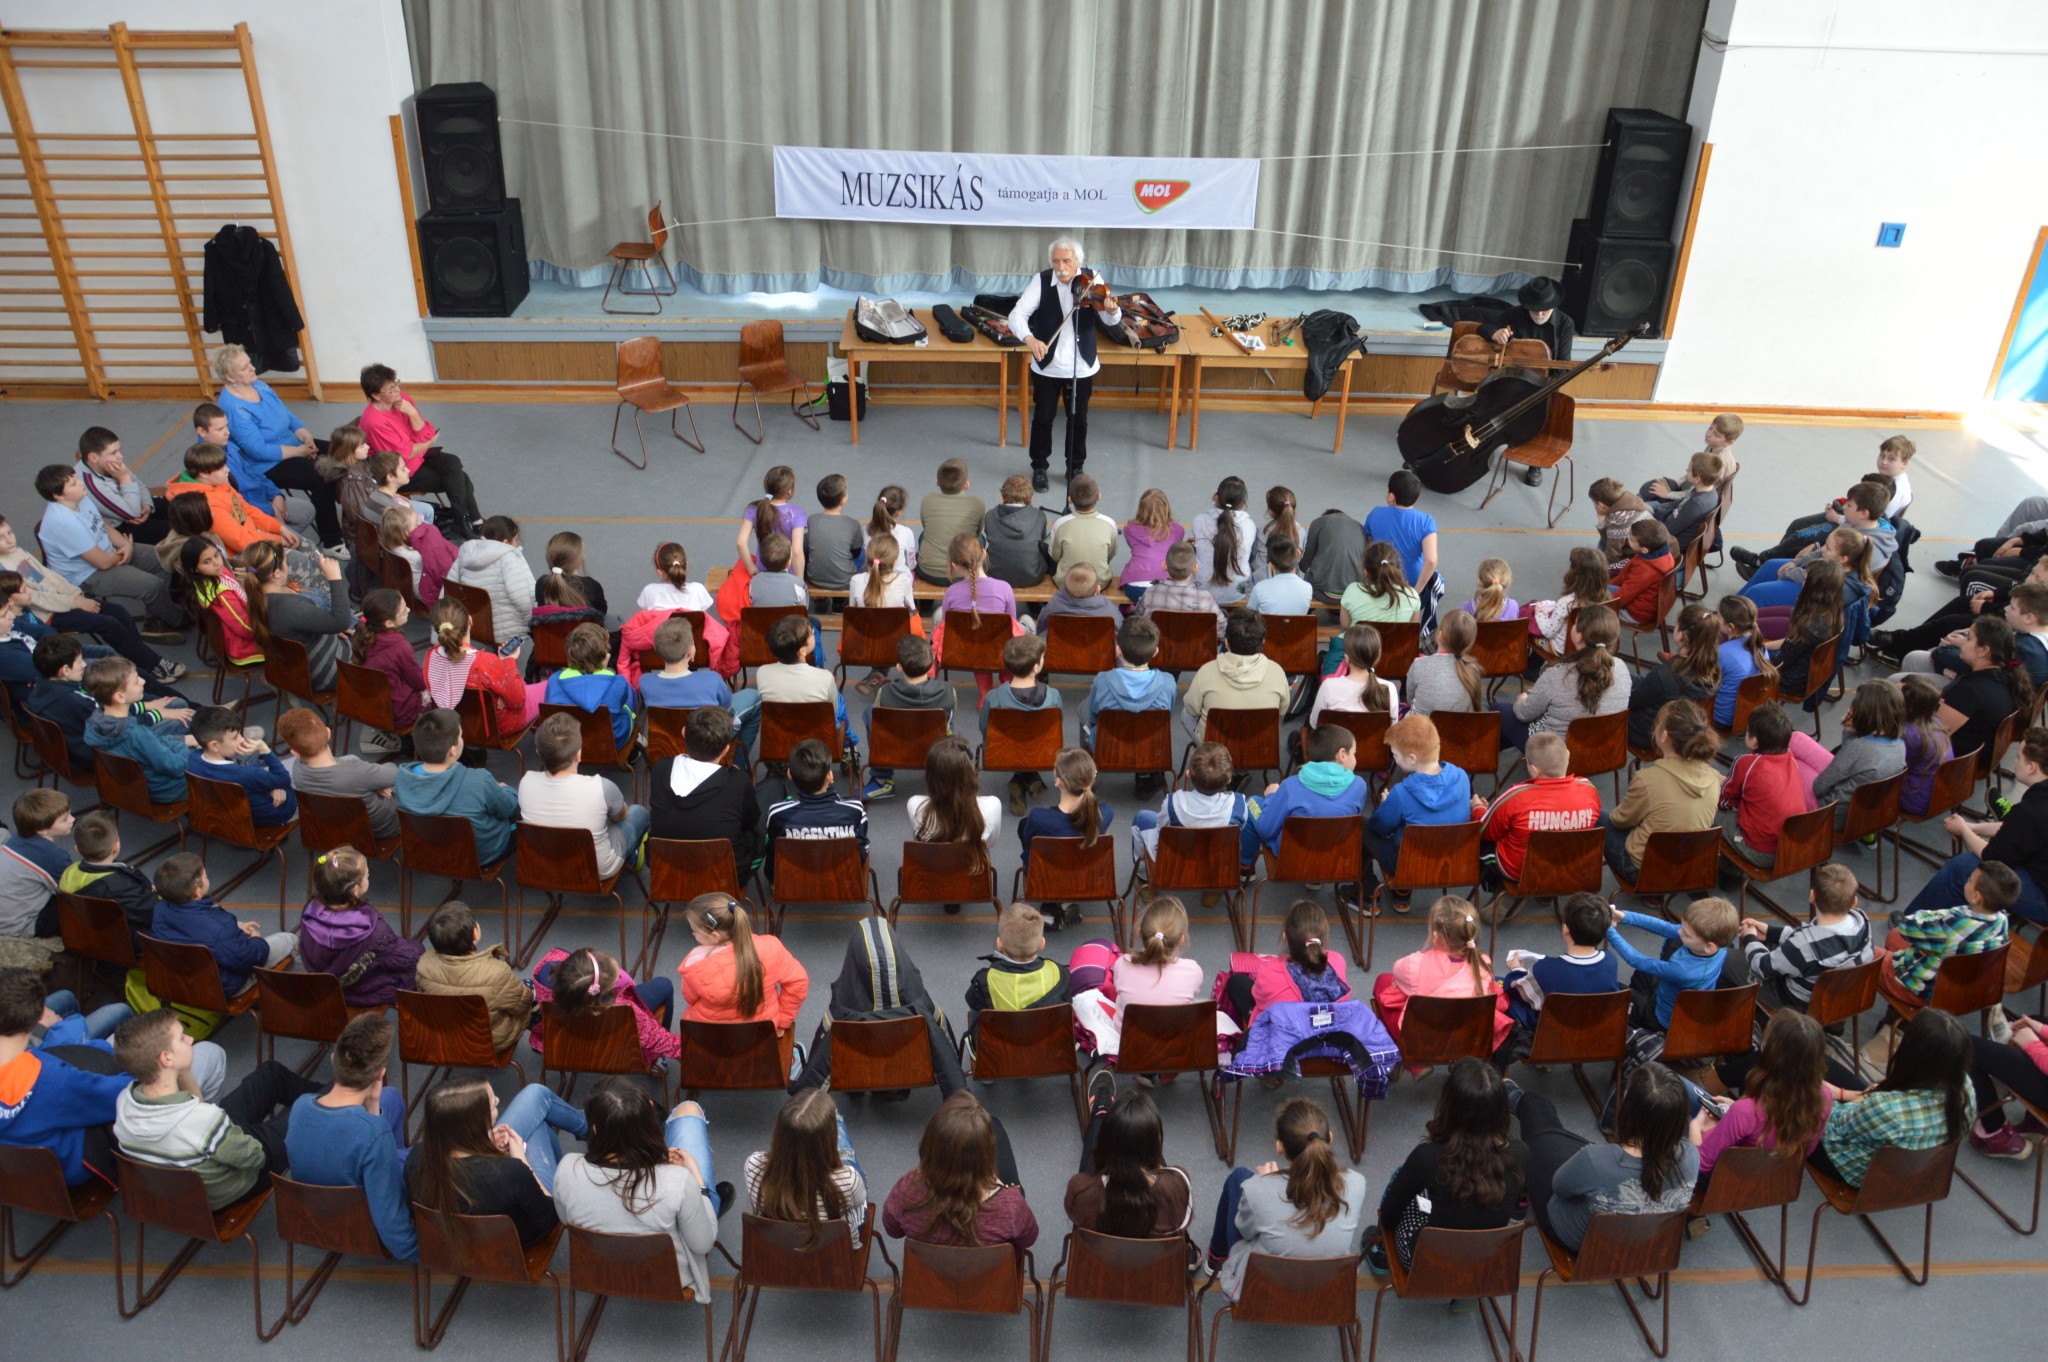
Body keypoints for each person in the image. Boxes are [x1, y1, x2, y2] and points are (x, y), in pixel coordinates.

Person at [111, 1008, 320, 1209]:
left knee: (271, 1074)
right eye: (182, 1037)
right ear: (167, 1058)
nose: (190, 1039)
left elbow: (198, 1113)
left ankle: (326, 1094)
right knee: (314, 1109)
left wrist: (183, 1071)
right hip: (240, 1182)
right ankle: (333, 1100)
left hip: (200, 1170)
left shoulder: (124, 1103)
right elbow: (256, 1158)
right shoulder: (202, 1121)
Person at [554, 1080, 725, 1298]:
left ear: (594, 1129)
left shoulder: (567, 1168)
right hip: (669, 1281)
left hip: (600, 1272)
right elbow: (703, 1244)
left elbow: (566, 1220)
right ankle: (712, 1197)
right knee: (689, 1109)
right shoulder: (678, 1180)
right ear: (651, 1123)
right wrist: (697, 1180)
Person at [1518, 1060, 1697, 1251]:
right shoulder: (1691, 1154)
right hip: (1643, 1242)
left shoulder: (1596, 1160)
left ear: (1630, 1111)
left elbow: (1559, 1189)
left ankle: (1519, 1100)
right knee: (1553, 1134)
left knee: (1536, 1126)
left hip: (1579, 1241)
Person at [791, 916, 970, 1104]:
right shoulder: (920, 1003)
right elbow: (944, 1039)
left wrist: (804, 1096)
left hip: (858, 1067)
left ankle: (855, 1091)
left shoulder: (842, 1010)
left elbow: (820, 1053)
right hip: (906, 1067)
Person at [1371, 1060, 1527, 1271]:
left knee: (1403, 1179)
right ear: (1501, 1110)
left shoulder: (1428, 1157)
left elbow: (1389, 1217)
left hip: (1425, 1266)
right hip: (1483, 1260)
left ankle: (1380, 1251)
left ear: (1450, 1105)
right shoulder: (1520, 1153)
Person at [284, 1015, 414, 1260]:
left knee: (391, 1098)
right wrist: (417, 1251)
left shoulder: (300, 1105)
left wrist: (373, 1104)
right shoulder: (373, 1134)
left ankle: (390, 1161)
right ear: (380, 1074)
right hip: (358, 1219)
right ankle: (396, 1175)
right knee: (422, 1156)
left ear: (333, 1059)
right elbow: (389, 1220)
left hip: (314, 1209)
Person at [1206, 1097, 1366, 1294]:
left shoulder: (1256, 1188)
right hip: (1327, 1292)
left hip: (1263, 1292)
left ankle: (1216, 1258)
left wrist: (1265, 1183)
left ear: (1279, 1146)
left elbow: (1245, 1231)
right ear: (1330, 1138)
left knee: (1238, 1177)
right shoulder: (1357, 1182)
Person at [0, 513, 183, 682]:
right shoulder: (4, 570)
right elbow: (35, 598)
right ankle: (151, 664)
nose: (9, 540)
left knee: (119, 612)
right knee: (108, 623)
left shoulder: (16, 552)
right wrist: (74, 602)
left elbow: (49, 576)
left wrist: (75, 595)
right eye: (2, 537)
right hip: (49, 614)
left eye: (10, 533)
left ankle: (141, 660)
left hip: (66, 600)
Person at [0, 967, 140, 1187]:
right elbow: (121, 1095)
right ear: (38, 1019)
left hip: (9, 1173)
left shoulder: (49, 1074)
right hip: (60, 1172)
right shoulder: (52, 1077)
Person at [405, 1077, 578, 1247]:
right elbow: (551, 1219)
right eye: (494, 1104)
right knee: (538, 1124)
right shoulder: (512, 1172)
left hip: (456, 1242)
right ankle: (592, 1130)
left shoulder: (417, 1157)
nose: (498, 1100)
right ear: (477, 1123)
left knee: (535, 1103)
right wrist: (522, 1161)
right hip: (510, 1245)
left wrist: (484, 1145)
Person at [1902, 726, 2048, 926]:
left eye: (2018, 757)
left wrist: (1963, 830)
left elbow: (1992, 856)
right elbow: (2018, 829)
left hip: (2043, 898)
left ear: (2032, 767)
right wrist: (1973, 827)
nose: (2015, 761)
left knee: (1963, 869)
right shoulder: (2036, 806)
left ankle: (1911, 925)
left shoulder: (2032, 809)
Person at [1008, 237, 1123, 491]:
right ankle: (1039, 466)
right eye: (1056, 261)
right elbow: (1016, 315)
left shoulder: (1092, 280)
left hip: (1081, 365)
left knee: (1079, 419)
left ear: (1078, 262)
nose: (1060, 267)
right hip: (1048, 365)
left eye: (1066, 261)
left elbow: (1111, 321)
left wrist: (1112, 311)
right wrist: (1030, 339)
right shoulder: (1041, 281)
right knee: (1043, 418)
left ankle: (1075, 467)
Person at [1816, 1007, 1974, 1187]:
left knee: (1808, 1070)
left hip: (1851, 1169)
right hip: (1913, 1171)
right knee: (1825, 1068)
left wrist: (1835, 1093)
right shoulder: (1965, 1088)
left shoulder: (1886, 1109)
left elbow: (1830, 1127)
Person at [211, 344, 346, 548]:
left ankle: (353, 517)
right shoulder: (233, 407)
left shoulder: (259, 385)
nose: (253, 368)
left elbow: (287, 415)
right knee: (321, 477)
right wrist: (300, 451)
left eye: (250, 363)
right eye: (245, 367)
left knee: (343, 452)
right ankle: (332, 540)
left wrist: (305, 434)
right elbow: (257, 450)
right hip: (269, 463)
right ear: (230, 377)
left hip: (292, 444)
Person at [33, 464, 184, 638]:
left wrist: (125, 545)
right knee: (152, 585)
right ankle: (179, 620)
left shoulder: (79, 498)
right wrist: (124, 553)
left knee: (166, 558)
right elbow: (102, 563)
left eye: (76, 478)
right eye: (73, 484)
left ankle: (156, 618)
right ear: (58, 496)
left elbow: (102, 524)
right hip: (88, 575)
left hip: (111, 553)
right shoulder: (65, 523)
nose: (80, 483)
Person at [1696, 1010, 1839, 1190]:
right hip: (1766, 1184)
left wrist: (1697, 1125)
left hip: (1718, 1181)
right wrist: (1734, 1109)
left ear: (1771, 1054)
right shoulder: (1824, 1096)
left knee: (1681, 1099)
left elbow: (1701, 1165)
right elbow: (1806, 1151)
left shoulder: (1745, 1112)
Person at [883, 1091, 1037, 1253]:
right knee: (994, 1123)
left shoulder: (906, 1190)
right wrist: (1001, 1190)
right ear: (986, 1155)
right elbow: (1028, 1239)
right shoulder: (1010, 1205)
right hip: (988, 1269)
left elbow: (893, 1230)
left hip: (928, 1269)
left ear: (930, 1145)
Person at [678, 894, 809, 1067]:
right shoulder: (771, 947)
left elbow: (690, 998)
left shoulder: (694, 965)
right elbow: (798, 981)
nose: (693, 934)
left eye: (695, 931)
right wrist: (783, 1021)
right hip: (761, 1036)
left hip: (712, 1040)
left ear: (715, 936)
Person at [150, 852, 296, 1000]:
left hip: (181, 979)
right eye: (206, 876)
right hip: (222, 987)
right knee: (290, 939)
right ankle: (291, 997)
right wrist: (256, 940)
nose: (207, 878)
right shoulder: (219, 927)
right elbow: (250, 959)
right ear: (197, 892)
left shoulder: (159, 910)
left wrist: (234, 932)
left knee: (237, 927)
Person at [355, 364, 482, 533]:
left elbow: (425, 432)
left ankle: (465, 520)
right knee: (460, 479)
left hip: (417, 455)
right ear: (376, 395)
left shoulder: (402, 400)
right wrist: (428, 443)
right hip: (397, 470)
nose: (397, 390)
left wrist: (413, 413)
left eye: (396, 384)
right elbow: (401, 455)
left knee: (453, 462)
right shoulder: (374, 422)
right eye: (391, 389)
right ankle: (470, 521)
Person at [1373, 895, 1509, 1052]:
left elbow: (1397, 970)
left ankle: (1414, 1061)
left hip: (1420, 1040)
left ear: (1435, 936)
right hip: (1463, 1037)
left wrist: (1423, 950)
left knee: (1383, 981)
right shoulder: (1483, 963)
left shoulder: (1415, 964)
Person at [1737, 863, 1876, 1012]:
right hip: (1838, 997)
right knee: (1772, 946)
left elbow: (1762, 966)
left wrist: (1749, 939)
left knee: (1730, 961)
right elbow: (1810, 938)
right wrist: (1770, 932)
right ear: (1854, 902)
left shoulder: (1803, 947)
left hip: (1797, 1002)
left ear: (1812, 896)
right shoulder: (1862, 924)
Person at [1879, 861, 2017, 1011]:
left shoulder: (1952, 924)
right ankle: (1896, 1014)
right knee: (1894, 936)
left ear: (1976, 897)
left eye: (1969, 880)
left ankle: (1901, 1005)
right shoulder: (2002, 919)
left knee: (1868, 956)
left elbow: (1906, 926)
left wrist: (1937, 917)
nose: (1966, 881)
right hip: (1961, 989)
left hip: (1922, 991)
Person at [395, 708, 521, 867]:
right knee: (518, 808)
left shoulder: (402, 778)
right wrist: (505, 790)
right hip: (481, 855)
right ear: (452, 750)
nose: (462, 739)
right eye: (460, 736)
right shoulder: (480, 781)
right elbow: (507, 808)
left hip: (432, 850)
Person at [1496, 604, 1630, 752]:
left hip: (1555, 753)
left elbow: (1523, 714)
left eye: (1574, 623)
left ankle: (1491, 756)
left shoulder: (1557, 675)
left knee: (1500, 710)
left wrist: (1522, 700)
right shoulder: (1622, 668)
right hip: (1602, 749)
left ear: (1578, 636)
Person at [299, 846, 421, 1007]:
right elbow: (406, 959)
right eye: (367, 875)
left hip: (325, 986)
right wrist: (417, 948)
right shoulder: (374, 932)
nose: (368, 877)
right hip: (361, 992)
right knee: (417, 965)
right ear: (355, 890)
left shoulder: (309, 912)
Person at [1366, 714, 1471, 901]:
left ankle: (1368, 893)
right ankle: (1401, 894)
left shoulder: (1401, 793)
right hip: (1452, 860)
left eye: (1395, 755)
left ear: (1412, 758)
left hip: (1408, 864)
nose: (1394, 759)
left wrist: (1385, 805)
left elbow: (1379, 827)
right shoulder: (1462, 776)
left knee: (1361, 826)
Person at [1475, 731, 1602, 885]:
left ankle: (1499, 890)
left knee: (1479, 841)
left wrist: (1478, 809)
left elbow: (1482, 830)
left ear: (1534, 770)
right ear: (1568, 755)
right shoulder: (1589, 790)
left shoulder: (1515, 797)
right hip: (1570, 868)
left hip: (1520, 872)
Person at [746, 1088, 867, 1247]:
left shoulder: (753, 1165)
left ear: (779, 1133)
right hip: (834, 1250)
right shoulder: (849, 1181)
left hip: (778, 1248)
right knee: (852, 1167)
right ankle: (835, 1120)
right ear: (827, 1142)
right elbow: (860, 1200)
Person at [1066, 1085, 1190, 1237]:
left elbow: (1077, 1216)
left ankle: (1100, 1112)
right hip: (1157, 1253)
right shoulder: (1178, 1183)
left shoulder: (1080, 1190)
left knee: (1097, 1128)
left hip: (1103, 1253)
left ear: (1105, 1144)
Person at [649, 706, 762, 872]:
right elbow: (750, 821)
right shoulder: (738, 781)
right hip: (724, 874)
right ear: (726, 750)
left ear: (683, 732)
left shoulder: (659, 769)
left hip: (666, 869)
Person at [1215, 899, 1352, 1032]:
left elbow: (1259, 999)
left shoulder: (1271, 971)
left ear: (1285, 937)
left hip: (1284, 1041)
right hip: (1328, 1038)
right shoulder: (1337, 961)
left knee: (1236, 982)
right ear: (1325, 939)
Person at [415, 902, 535, 1053]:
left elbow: (424, 998)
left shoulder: (424, 964)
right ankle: (540, 1038)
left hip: (447, 1037)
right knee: (529, 989)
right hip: (488, 1042)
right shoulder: (497, 973)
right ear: (475, 934)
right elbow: (523, 1004)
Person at [1245, 724, 1368, 867]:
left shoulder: (1290, 786)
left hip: (1293, 859)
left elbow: (1266, 830)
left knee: (1251, 802)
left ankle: (1245, 866)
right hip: (1336, 857)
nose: (1355, 757)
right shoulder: (1359, 785)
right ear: (1342, 755)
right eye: (1354, 753)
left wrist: (1271, 797)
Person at [532, 946, 678, 1066]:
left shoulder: (545, 973)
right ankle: (659, 1060)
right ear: (603, 990)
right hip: (611, 1050)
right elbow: (662, 1041)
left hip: (569, 1043)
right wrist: (690, 1049)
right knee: (664, 984)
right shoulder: (625, 1011)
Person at [1609, 896, 1739, 1031]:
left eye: (1686, 934)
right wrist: (1624, 916)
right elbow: (1665, 928)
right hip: (1679, 1002)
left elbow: (1637, 960)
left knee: (1614, 993)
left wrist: (1608, 929)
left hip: (1659, 1018)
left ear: (1709, 947)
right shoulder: (1722, 945)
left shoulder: (1683, 971)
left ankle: (1638, 1023)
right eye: (1682, 927)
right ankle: (1637, 1007)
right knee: (1643, 974)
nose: (1679, 931)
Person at [1499, 892, 1621, 1034]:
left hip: (1551, 1035)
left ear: (1566, 929)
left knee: (1504, 992)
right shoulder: (1610, 961)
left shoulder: (1546, 969)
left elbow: (1514, 987)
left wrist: (1516, 970)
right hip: (1593, 1032)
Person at [1019, 748, 1111, 931]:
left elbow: (1028, 843)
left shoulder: (1038, 818)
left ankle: (1053, 901)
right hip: (1087, 880)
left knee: (1024, 826)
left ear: (1058, 781)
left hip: (1048, 878)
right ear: (1092, 777)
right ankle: (1064, 902)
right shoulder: (1105, 814)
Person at [242, 539, 352, 692]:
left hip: (298, 666)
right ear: (277, 573)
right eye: (285, 562)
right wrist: (335, 579)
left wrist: (326, 625)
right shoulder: (290, 608)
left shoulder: (257, 599)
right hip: (329, 672)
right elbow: (341, 622)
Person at [81, 656, 192, 806]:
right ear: (120, 697)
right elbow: (173, 766)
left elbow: (153, 742)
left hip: (136, 786)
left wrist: (183, 740)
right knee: (215, 756)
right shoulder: (136, 733)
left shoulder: (95, 721)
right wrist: (188, 749)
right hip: (167, 790)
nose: (143, 681)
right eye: (136, 681)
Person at [1718, 702, 1815, 868]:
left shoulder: (1745, 763)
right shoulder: (1790, 757)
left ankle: (1728, 873)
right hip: (1787, 847)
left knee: (1708, 809)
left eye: (1747, 730)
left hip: (1759, 851)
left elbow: (1724, 802)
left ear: (1755, 741)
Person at [277, 708, 398, 839]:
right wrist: (376, 782)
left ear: (294, 753)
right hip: (384, 829)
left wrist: (372, 782)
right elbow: (396, 774)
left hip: (339, 829)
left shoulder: (298, 770)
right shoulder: (359, 772)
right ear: (328, 733)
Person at [963, 900, 1071, 1048]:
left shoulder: (985, 980)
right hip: (1047, 1049)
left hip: (1001, 1052)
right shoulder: (1058, 972)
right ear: (1042, 943)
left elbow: (977, 1012)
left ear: (999, 944)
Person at [1131, 741, 1249, 874]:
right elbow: (1241, 829)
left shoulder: (1173, 803)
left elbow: (1161, 828)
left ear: (1188, 774)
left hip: (1178, 865)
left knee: (1141, 817)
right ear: (1229, 779)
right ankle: (1217, 884)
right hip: (1218, 866)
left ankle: (1144, 874)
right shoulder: (1239, 805)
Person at [425, 597, 538, 736]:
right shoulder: (485, 663)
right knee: (550, 685)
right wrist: (508, 661)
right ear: (470, 620)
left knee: (518, 684)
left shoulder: (431, 656)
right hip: (495, 727)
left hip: (456, 723)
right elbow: (518, 702)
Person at [1932, 617, 2034, 768]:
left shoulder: (1970, 691)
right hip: (1977, 755)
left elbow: (1931, 736)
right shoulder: (2007, 677)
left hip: (1953, 764)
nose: (1963, 640)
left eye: (1968, 638)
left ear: (1983, 650)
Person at [863, 635, 955, 801]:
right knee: (948, 722)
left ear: (899, 667)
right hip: (934, 750)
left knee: (870, 713)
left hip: (895, 746)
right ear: (932, 661)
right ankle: (942, 774)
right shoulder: (949, 691)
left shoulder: (885, 692)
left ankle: (882, 779)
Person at [763, 739, 869, 881]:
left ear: (789, 774)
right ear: (830, 776)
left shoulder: (777, 814)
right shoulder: (854, 810)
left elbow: (772, 855)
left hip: (793, 882)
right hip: (842, 882)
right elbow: (861, 852)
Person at [1182, 611, 1290, 744]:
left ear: (1226, 642)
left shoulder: (1206, 670)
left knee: (1185, 714)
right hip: (1260, 746)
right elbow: (1282, 710)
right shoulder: (1277, 671)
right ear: (1263, 642)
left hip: (1215, 748)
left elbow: (1192, 708)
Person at [57, 811, 159, 944]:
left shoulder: (69, 871)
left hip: (84, 930)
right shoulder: (119, 886)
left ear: (77, 849)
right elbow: (152, 912)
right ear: (116, 847)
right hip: (117, 941)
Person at [981, 635, 1056, 813]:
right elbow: (1054, 729)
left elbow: (984, 729)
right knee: (1030, 744)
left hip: (1003, 751)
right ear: (1036, 667)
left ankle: (1019, 780)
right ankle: (1029, 776)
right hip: (1043, 751)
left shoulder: (993, 697)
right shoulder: (1053, 695)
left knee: (1017, 745)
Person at [187, 705, 296, 828]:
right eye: (235, 738)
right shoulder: (248, 773)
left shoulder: (192, 759)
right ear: (214, 745)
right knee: (298, 772)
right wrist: (264, 750)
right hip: (272, 814)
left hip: (231, 814)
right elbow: (284, 780)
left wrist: (271, 784)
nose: (242, 739)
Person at [1081, 616, 1177, 755]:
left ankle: (1086, 764)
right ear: (1155, 652)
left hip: (1108, 749)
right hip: (1151, 750)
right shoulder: (1168, 682)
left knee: (1084, 708)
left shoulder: (1102, 681)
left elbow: (1092, 717)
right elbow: (1168, 716)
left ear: (1118, 650)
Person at [447, 515, 536, 652]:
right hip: (505, 631)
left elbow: (448, 591)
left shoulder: (464, 556)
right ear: (506, 542)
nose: (516, 545)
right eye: (515, 540)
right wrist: (534, 621)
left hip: (471, 625)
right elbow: (523, 599)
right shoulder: (510, 559)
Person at [1365, 469, 1441, 624]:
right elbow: (1431, 561)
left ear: (1391, 496)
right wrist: (1416, 592)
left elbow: (1368, 543)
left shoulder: (1375, 514)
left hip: (1379, 580)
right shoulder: (1426, 521)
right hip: (1410, 584)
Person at [907, 735, 1000, 856]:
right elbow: (990, 843)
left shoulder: (915, 805)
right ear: (969, 773)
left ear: (930, 775)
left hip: (932, 865)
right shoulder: (992, 805)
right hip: (972, 865)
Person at [75, 425, 169, 543]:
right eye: (113, 453)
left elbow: (138, 483)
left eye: (119, 450)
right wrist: (124, 478)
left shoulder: (107, 464)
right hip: (120, 525)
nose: (120, 457)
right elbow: (133, 514)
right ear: (93, 457)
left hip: (135, 505)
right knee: (174, 531)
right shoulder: (92, 486)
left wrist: (147, 504)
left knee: (181, 509)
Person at [1309, 622, 1400, 724]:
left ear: (1346, 657)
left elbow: (1315, 723)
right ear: (1377, 656)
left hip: (1337, 735)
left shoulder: (1328, 686)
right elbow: (1392, 727)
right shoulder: (1389, 688)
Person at [1192, 476, 1262, 606]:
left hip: (1202, 589)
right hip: (1238, 591)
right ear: (1243, 504)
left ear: (1216, 496)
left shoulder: (1199, 520)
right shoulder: (1249, 526)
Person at [1137, 540, 1227, 640]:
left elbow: (1138, 622)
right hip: (1196, 650)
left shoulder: (1151, 593)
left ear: (1165, 565)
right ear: (1195, 568)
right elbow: (1222, 632)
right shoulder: (1205, 598)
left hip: (1158, 649)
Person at [1711, 595, 1778, 729]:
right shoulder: (1760, 645)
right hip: (1747, 714)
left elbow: (1703, 683)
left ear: (1730, 626)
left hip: (1722, 719)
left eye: (1718, 616)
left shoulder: (1723, 652)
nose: (1715, 618)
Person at [918, 459, 985, 584]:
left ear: (937, 482)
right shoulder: (978, 503)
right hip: (964, 572)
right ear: (966, 485)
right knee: (980, 538)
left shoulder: (927, 500)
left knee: (923, 535)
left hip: (929, 572)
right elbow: (977, 532)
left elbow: (925, 526)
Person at [1406, 609, 1484, 716]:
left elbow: (1410, 699)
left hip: (1422, 725)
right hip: (1458, 726)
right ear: (1469, 643)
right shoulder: (1473, 670)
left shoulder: (1419, 665)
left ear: (1439, 634)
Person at [738, 465, 810, 580]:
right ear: (789, 491)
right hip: (788, 572)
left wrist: (751, 568)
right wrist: (799, 580)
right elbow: (796, 551)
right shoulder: (797, 513)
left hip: (763, 569)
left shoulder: (754, 508)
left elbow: (741, 542)